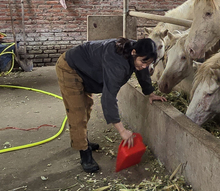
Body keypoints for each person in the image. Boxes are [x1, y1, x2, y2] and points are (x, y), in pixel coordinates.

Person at [55, 37, 166, 173]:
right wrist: (122, 130)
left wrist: (150, 93)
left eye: (148, 63)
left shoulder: (137, 51)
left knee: (87, 107)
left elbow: (142, 71)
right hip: (70, 67)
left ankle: (82, 138)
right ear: (134, 52)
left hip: (86, 69)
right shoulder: (117, 63)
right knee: (77, 111)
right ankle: (84, 152)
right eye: (143, 62)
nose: (144, 66)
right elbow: (108, 98)